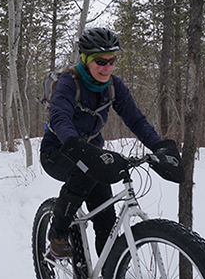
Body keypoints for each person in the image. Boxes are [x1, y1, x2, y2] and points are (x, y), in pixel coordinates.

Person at [40, 27, 183, 259]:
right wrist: (74, 144)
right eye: (100, 61)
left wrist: (159, 146)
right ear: (85, 60)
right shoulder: (69, 83)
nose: (107, 67)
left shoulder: (114, 86)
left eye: (112, 61)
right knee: (83, 174)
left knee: (106, 220)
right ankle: (58, 234)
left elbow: (136, 120)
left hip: (93, 154)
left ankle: (109, 275)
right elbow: (59, 117)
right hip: (58, 151)